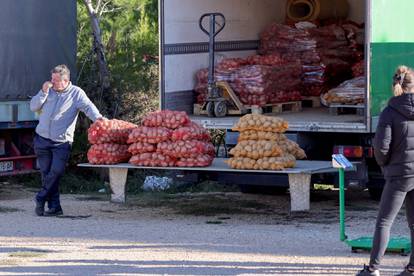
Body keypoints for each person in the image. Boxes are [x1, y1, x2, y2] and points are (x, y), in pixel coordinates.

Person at [357, 65, 414, 276]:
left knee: (384, 222)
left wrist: (384, 166)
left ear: (395, 86)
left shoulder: (389, 112)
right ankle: (411, 268)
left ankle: (373, 268)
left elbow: (381, 148)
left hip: (399, 175)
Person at [30, 64, 104, 216]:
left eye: (55, 80)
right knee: (46, 174)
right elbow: (33, 106)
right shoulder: (48, 90)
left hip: (62, 143)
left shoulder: (76, 93)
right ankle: (55, 207)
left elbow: (88, 107)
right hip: (42, 140)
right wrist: (43, 91)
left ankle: (41, 197)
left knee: (56, 172)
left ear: (65, 80)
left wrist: (99, 119)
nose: (51, 82)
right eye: (51, 79)